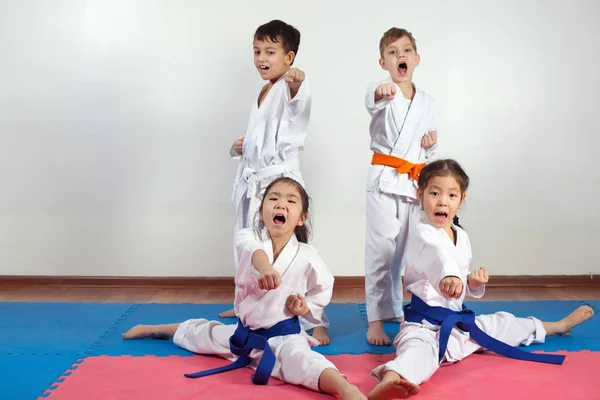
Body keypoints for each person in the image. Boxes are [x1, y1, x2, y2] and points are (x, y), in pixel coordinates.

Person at [367, 159, 595, 399]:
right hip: (422, 327)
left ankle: (558, 326)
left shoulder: (461, 236)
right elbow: (437, 256)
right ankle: (390, 381)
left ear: (461, 200)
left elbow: (458, 279)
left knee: (503, 323)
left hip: (458, 325)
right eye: (435, 193)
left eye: (452, 195)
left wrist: (470, 282)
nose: (443, 201)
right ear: (420, 195)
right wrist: (450, 276)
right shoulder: (421, 233)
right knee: (417, 352)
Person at [123, 178, 365, 399]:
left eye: (291, 200)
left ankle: (346, 390)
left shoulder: (308, 256)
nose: (281, 204)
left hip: (283, 339)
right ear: (261, 211)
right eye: (273, 198)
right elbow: (255, 253)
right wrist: (266, 269)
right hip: (244, 335)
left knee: (303, 361)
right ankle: (155, 329)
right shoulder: (248, 236)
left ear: (301, 217)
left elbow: (324, 288)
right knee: (204, 333)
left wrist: (304, 308)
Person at [364, 28, 439, 346]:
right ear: (384, 62)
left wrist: (431, 145)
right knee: (381, 250)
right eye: (393, 52)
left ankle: (394, 307)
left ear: (417, 59)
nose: (401, 56)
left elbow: (428, 144)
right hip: (383, 181)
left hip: (412, 183)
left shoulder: (427, 101)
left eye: (406, 51)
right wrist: (380, 93)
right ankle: (375, 320)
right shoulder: (381, 90)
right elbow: (373, 102)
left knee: (404, 253)